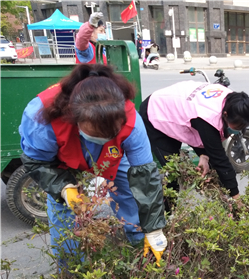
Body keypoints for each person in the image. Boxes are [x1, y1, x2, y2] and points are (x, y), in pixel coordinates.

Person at [19, 64, 167, 265]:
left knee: (131, 194)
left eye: (110, 135)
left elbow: (145, 177)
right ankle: (73, 270)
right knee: (66, 211)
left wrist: (154, 228)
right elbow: (37, 161)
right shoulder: (41, 118)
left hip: (115, 155)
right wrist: (63, 188)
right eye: (96, 135)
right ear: (74, 118)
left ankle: (140, 251)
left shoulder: (131, 121)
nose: (103, 141)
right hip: (63, 159)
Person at [139, 80, 249, 205]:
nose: (239, 130)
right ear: (226, 115)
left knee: (211, 168)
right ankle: (167, 217)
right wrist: (236, 197)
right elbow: (219, 159)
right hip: (157, 112)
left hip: (179, 108)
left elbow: (197, 128)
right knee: (173, 172)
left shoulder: (234, 102)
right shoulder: (208, 116)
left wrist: (204, 155)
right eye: (237, 126)